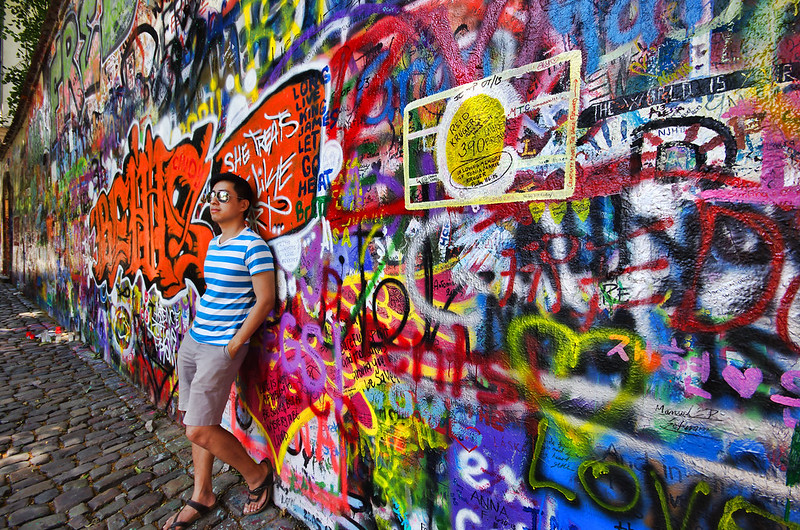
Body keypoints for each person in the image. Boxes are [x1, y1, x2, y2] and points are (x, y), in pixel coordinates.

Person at [163, 172, 276, 529]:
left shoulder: (252, 245)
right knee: (199, 421)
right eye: (213, 196)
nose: (214, 202)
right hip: (195, 341)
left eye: (223, 196)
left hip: (220, 347)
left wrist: (234, 343)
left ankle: (257, 475)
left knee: (196, 429)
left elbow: (265, 300)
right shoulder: (216, 243)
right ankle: (203, 494)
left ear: (243, 205)